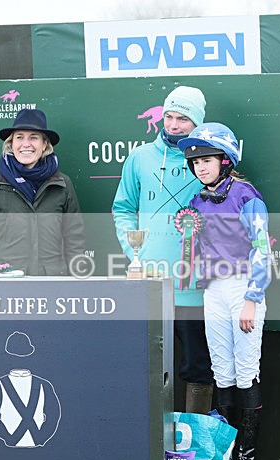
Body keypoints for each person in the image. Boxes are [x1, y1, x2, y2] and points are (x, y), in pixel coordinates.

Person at [112, 86, 215, 414]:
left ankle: (194, 451)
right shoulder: (140, 157)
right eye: (168, 116)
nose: (172, 124)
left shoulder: (209, 160)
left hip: (195, 289)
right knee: (150, 367)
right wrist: (134, 255)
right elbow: (123, 208)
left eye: (182, 118)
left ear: (196, 122)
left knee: (198, 367)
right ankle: (153, 448)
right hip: (151, 284)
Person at [178, 122, 272, 460]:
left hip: (243, 289)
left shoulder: (247, 196)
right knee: (222, 371)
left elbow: (263, 250)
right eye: (195, 161)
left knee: (246, 370)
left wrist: (252, 299)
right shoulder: (195, 202)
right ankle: (225, 457)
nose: (200, 166)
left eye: (207, 159)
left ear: (225, 159)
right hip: (212, 291)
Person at [0, 108, 86, 274]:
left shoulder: (62, 184)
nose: (26, 144)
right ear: (11, 144)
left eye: (34, 137)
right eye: (19, 137)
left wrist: (77, 280)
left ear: (45, 144)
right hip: (8, 286)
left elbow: (75, 241)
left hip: (53, 284)